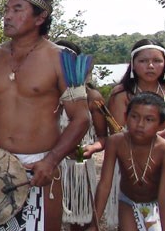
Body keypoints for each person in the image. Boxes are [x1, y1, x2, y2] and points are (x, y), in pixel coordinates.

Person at [0, 0, 90, 230]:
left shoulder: (61, 59)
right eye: (6, 9)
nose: (7, 16)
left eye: (17, 9)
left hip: (41, 166)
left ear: (40, 17)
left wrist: (51, 160)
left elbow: (81, 119)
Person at [106, 38, 165, 227]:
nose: (150, 66)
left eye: (157, 61)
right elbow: (118, 134)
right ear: (133, 64)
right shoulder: (122, 95)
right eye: (143, 61)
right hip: (136, 170)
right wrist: (157, 137)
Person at [89, 92, 165, 230]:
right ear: (126, 117)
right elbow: (105, 184)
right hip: (128, 201)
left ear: (162, 125)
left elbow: (164, 196)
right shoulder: (115, 142)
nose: (140, 124)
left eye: (149, 119)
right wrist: (94, 224)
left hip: (156, 203)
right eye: (134, 117)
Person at [55, 40, 107, 229]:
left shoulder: (92, 97)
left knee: (81, 221)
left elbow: (104, 137)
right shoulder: (44, 97)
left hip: (78, 168)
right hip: (50, 166)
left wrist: (92, 147)